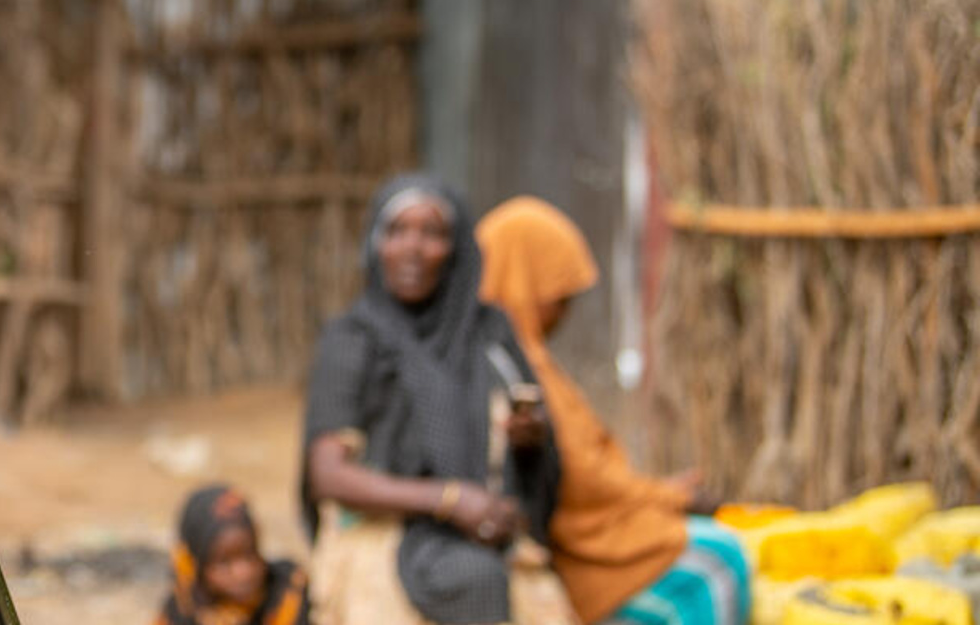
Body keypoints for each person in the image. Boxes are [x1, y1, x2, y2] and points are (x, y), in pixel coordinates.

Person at [301, 175, 570, 625]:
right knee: (472, 579)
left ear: (458, 248)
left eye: (432, 234)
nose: (412, 248)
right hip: (386, 528)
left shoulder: (489, 333)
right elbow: (328, 474)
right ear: (375, 244)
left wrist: (529, 441)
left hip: (487, 528)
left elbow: (539, 459)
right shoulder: (354, 340)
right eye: (397, 231)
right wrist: (447, 499)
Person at [477, 197, 750, 625]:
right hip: (583, 553)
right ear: (525, 286)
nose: (564, 314)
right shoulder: (514, 372)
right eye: (558, 298)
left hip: (593, 529)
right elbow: (581, 484)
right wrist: (667, 498)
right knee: (720, 561)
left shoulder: (531, 361)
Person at [155, 485, 309, 625]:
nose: (244, 573)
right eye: (224, 563)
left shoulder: (287, 590)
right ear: (195, 566)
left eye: (250, 554)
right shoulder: (181, 611)